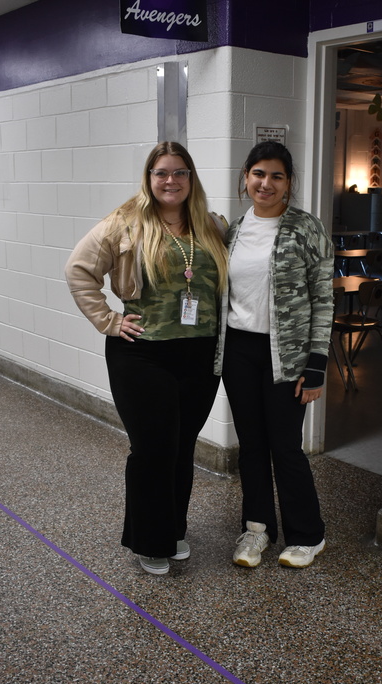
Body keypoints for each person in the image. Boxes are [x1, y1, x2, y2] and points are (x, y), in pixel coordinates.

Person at [65, 141, 227, 576]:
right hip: (142, 354)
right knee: (153, 448)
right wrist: (109, 321)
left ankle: (172, 529)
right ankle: (147, 540)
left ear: (191, 179)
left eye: (179, 172)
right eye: (161, 172)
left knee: (181, 447)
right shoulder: (126, 223)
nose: (170, 180)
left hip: (199, 354)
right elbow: (78, 270)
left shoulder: (211, 226)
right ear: (149, 178)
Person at [216, 141, 334, 569]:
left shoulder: (306, 228)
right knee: (250, 446)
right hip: (240, 350)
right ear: (245, 178)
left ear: (288, 183)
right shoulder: (232, 231)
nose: (266, 183)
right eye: (258, 174)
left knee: (285, 447)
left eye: (277, 176)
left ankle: (307, 535)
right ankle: (256, 529)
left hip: (286, 356)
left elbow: (323, 298)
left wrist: (316, 365)